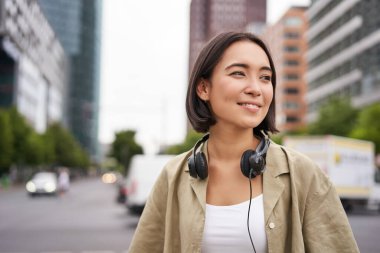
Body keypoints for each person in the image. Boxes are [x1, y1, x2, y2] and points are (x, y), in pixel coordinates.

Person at [128, 32, 359, 253]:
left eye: (265, 78)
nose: (256, 89)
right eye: (239, 73)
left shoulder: (303, 173)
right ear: (203, 88)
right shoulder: (173, 176)